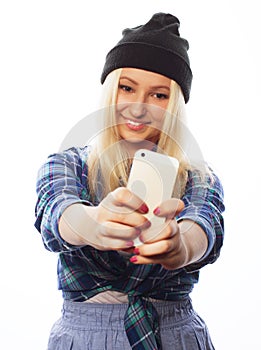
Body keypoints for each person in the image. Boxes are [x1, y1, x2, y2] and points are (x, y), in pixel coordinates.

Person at [35, 12, 225, 350]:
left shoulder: (199, 179)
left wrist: (179, 246)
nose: (138, 108)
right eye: (127, 88)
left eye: (158, 95)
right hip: (83, 338)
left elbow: (203, 227)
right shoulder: (67, 164)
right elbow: (57, 210)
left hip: (176, 335)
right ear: (111, 91)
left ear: (175, 105)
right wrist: (93, 224)